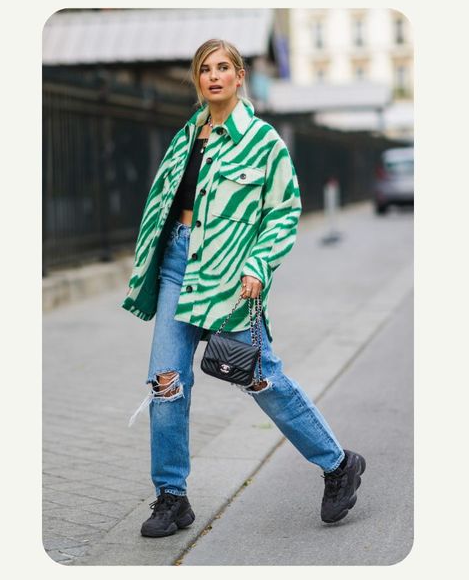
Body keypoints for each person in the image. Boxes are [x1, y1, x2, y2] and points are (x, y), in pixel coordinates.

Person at [121, 38, 366, 538]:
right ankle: (172, 497)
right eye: (204, 69)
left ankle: (338, 465)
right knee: (166, 382)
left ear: (239, 77)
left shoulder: (262, 141)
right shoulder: (186, 136)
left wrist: (259, 263)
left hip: (231, 275)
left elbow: (284, 209)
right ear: (198, 80)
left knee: (259, 377)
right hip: (177, 265)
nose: (213, 76)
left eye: (223, 68)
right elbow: (163, 207)